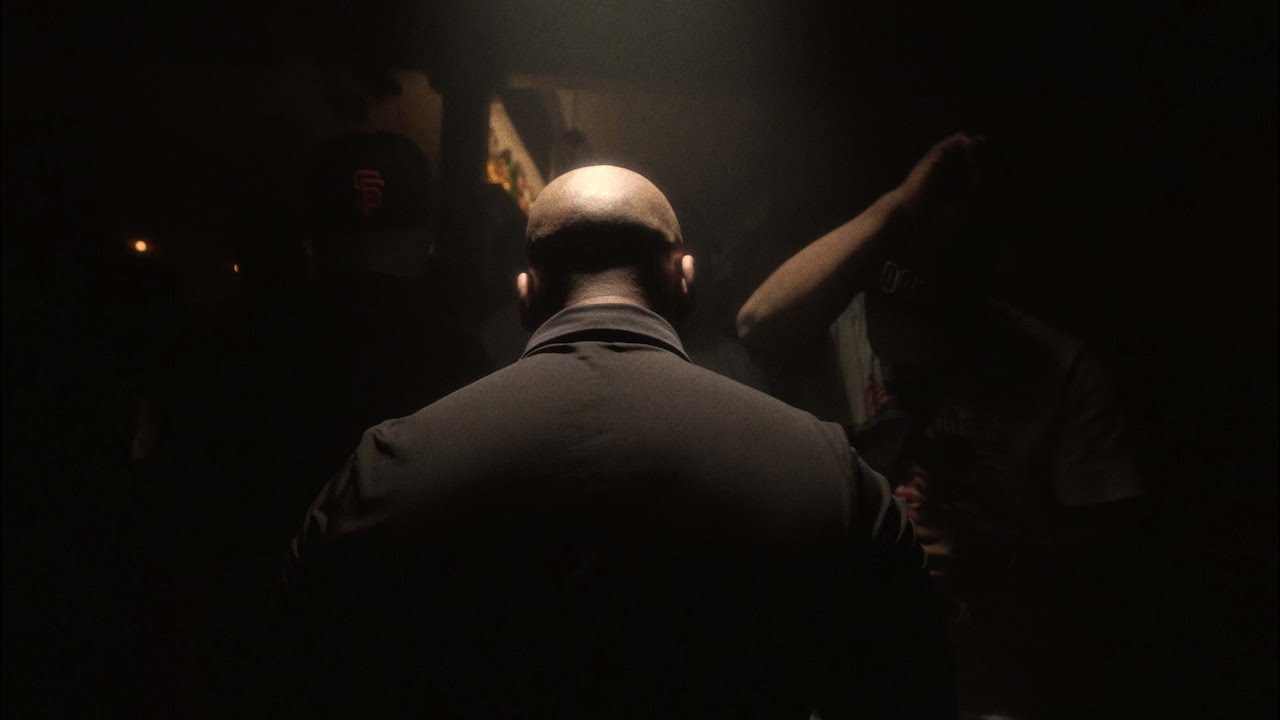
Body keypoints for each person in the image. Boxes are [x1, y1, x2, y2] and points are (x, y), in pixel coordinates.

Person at [282, 165, 953, 719]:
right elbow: (913, 678)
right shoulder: (822, 470)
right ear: (685, 280)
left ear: (525, 295)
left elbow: (299, 667)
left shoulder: (389, 465)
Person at [737, 134, 1146, 719]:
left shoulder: (1059, 369)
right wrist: (897, 205)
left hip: (988, 681)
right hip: (852, 665)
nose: (904, 358)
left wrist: (996, 558)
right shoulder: (843, 331)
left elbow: (1114, 566)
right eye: (893, 326)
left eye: (928, 336)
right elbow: (756, 325)